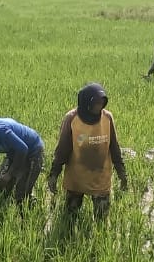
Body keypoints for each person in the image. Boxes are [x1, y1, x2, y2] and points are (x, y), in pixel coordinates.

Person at [46, 83, 128, 218]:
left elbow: (114, 147)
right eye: (96, 103)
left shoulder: (107, 118)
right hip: (76, 179)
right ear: (86, 103)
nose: (99, 106)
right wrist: (54, 174)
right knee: (70, 218)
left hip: (100, 178)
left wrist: (122, 174)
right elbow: (62, 149)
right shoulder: (72, 118)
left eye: (101, 103)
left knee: (101, 220)